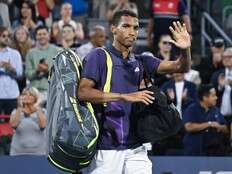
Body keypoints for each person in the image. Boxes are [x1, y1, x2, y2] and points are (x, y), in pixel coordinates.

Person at [78, 10, 191, 174]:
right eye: (126, 26)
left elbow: (181, 67)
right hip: (107, 147)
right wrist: (124, 96)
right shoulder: (99, 56)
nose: (132, 31)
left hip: (137, 147)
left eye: (136, 28)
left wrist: (185, 50)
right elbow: (83, 92)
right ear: (113, 29)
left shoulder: (142, 60)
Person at [183, 84, 229, 156]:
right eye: (213, 96)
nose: (216, 98)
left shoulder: (216, 110)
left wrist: (220, 127)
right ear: (205, 97)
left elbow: (225, 128)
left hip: (213, 152)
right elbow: (189, 127)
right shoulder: (192, 109)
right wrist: (210, 124)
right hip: (195, 152)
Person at [25, 25, 60, 105]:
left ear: (48, 35)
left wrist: (47, 71)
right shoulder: (30, 53)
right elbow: (28, 75)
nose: (42, 36)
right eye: (39, 34)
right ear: (36, 37)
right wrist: (37, 71)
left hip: (53, 91)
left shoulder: (57, 51)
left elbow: (60, 75)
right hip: (34, 92)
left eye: (44, 34)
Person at [9, 87, 46, 156]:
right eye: (24, 94)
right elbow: (14, 125)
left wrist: (37, 106)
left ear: (35, 97)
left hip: (39, 153)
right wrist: (20, 107)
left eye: (30, 95)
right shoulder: (15, 111)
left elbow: (43, 125)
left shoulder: (43, 111)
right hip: (18, 153)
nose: (27, 96)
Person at [0, 26, 23, 115]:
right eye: (3, 36)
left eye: (8, 36)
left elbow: (20, 76)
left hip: (12, 94)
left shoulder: (15, 54)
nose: (6, 38)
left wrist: (11, 69)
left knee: (12, 125)